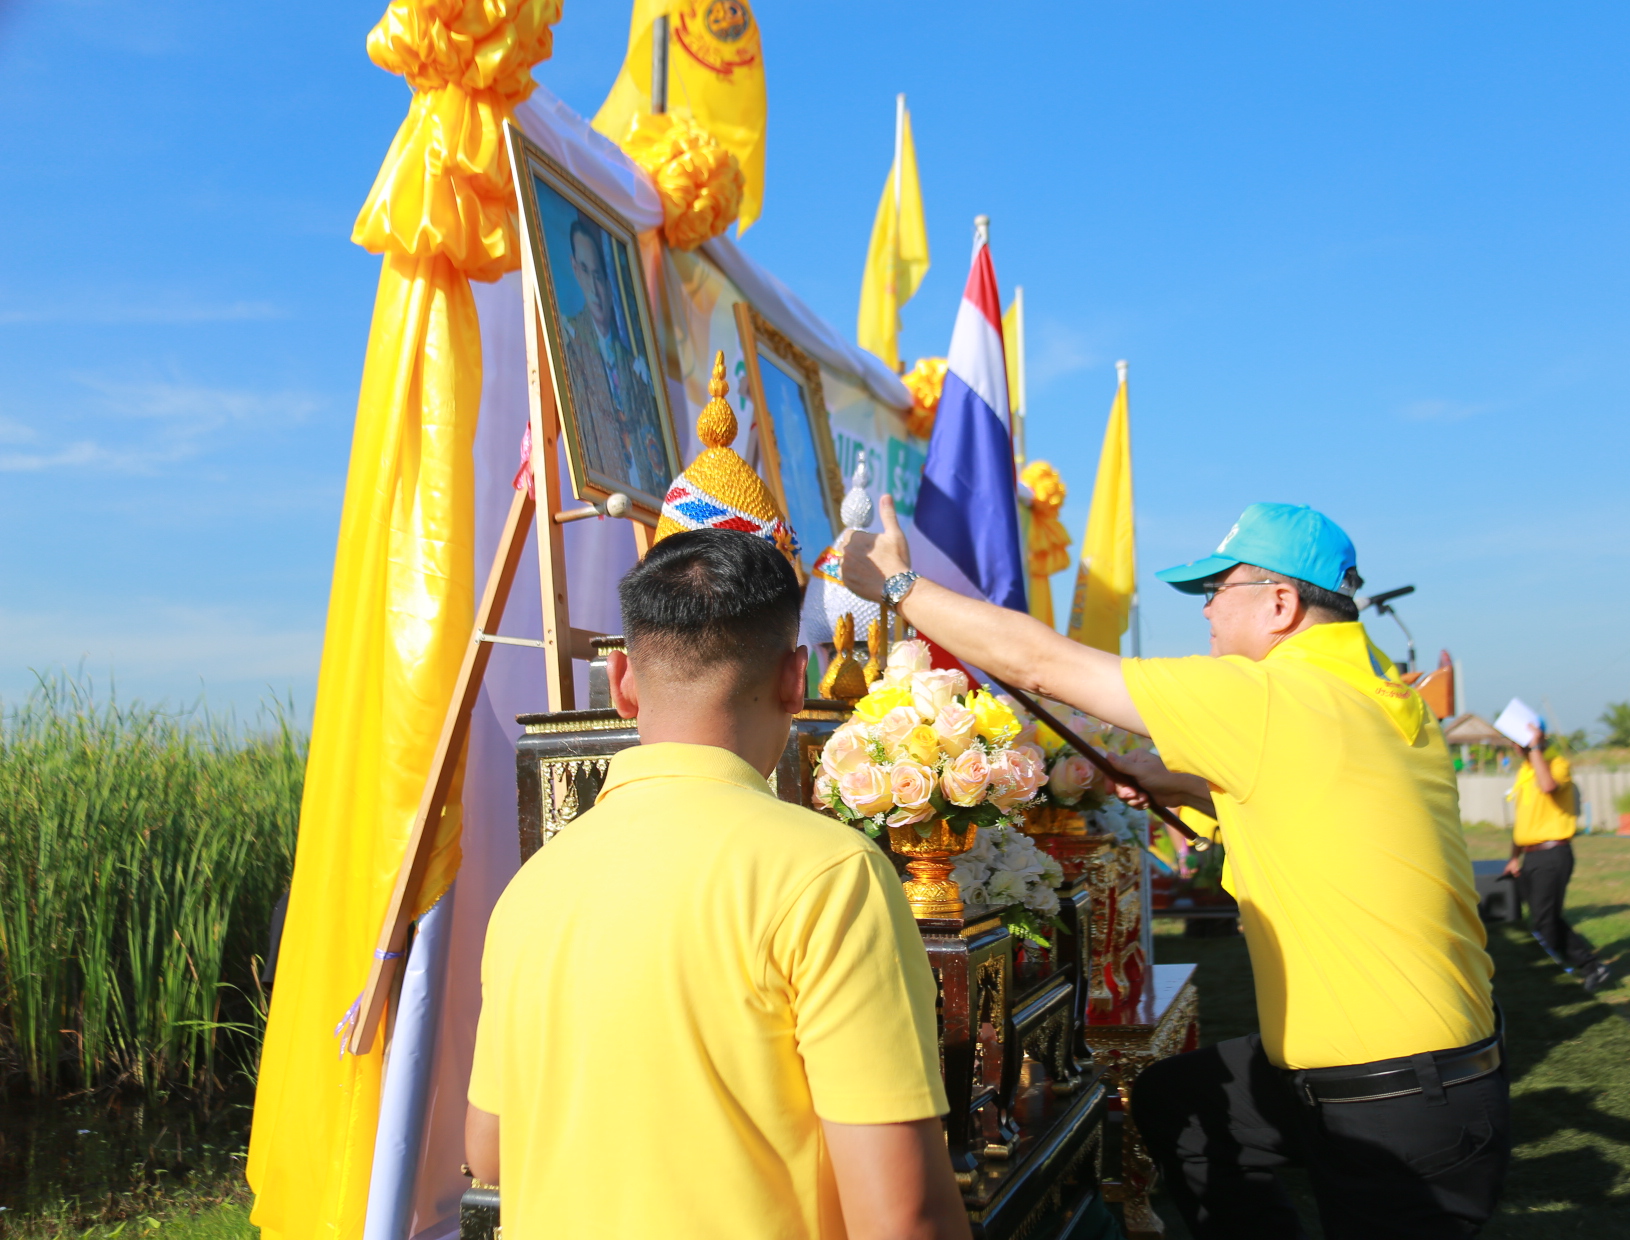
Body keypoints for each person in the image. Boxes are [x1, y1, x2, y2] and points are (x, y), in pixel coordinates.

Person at [843, 500, 1508, 1239]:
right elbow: (1315, 802)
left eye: (1216, 592)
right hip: (1407, 1075)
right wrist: (1179, 780)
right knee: (1177, 1104)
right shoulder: (1372, 698)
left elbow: (1039, 664)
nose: (1207, 615)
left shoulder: (1273, 697)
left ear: (1281, 603)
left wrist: (899, 585)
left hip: (1392, 1100)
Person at [465, 528, 968, 1240]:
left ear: (622, 684)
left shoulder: (533, 886)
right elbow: (902, 1217)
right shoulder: (829, 876)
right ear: (796, 678)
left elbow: (489, 1151)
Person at [561, 218, 673, 496]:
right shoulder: (571, 344)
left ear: (610, 282)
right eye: (585, 272)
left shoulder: (635, 367)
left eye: (599, 276)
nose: (594, 289)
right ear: (575, 269)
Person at [1500, 725, 1610, 992]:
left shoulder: (1557, 764)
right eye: (1514, 742)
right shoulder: (1524, 771)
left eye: (1520, 742)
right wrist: (1514, 857)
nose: (1515, 747)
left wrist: (1536, 747)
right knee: (1546, 916)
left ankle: (1558, 977)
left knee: (1543, 920)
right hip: (1531, 856)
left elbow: (1548, 786)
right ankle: (1590, 966)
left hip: (1553, 853)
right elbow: (1524, 820)